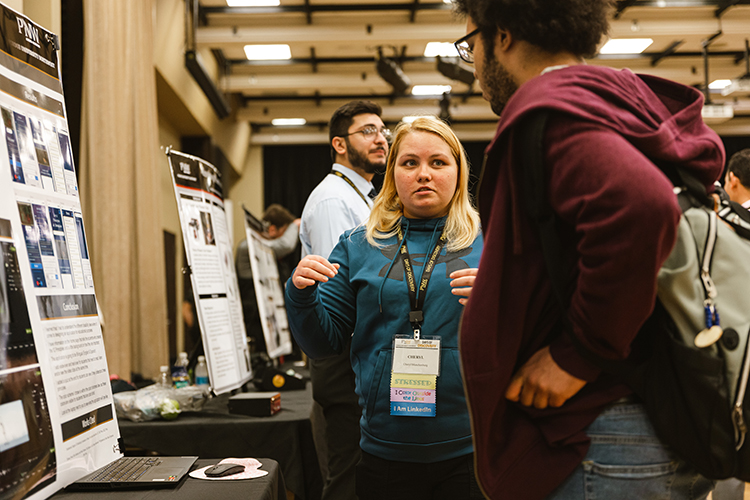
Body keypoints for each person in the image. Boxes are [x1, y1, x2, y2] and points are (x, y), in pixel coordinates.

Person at [452, 1, 726, 499]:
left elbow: (640, 207)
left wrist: (576, 356)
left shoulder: (554, 110)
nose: (472, 64)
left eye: (470, 44)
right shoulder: (620, 103)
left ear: (503, 35)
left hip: (603, 437)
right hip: (657, 416)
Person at [286, 116, 484, 499]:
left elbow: (524, 341)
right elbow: (323, 344)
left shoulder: (488, 243)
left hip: (469, 448)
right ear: (392, 174)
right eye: (410, 163)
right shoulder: (358, 245)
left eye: (438, 163)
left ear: (458, 173)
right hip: (385, 451)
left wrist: (498, 305)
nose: (423, 174)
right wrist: (301, 294)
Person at [298, 100, 388, 500]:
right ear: (339, 144)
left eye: (383, 129)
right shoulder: (336, 199)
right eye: (367, 130)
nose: (381, 138)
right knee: (348, 475)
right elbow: (340, 294)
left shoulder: (361, 196)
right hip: (342, 354)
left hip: (356, 354)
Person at [236, 204, 300, 354]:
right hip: (253, 323)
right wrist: (294, 226)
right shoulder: (248, 247)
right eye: (283, 232)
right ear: (272, 229)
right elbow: (286, 245)